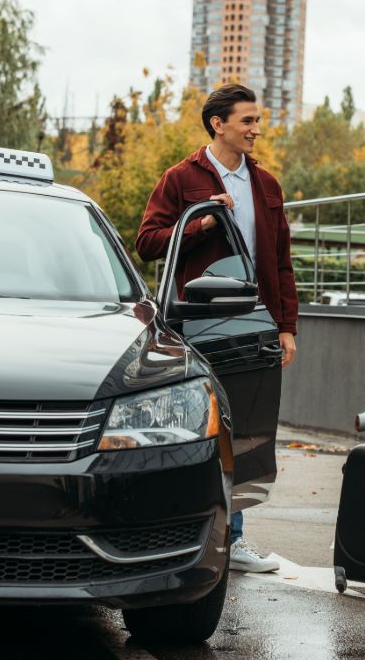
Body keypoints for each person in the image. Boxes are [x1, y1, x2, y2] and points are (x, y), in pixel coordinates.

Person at [136, 83, 298, 573]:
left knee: (246, 432)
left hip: (252, 325)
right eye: (248, 120)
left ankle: (234, 539)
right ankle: (178, 531)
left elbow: (282, 262)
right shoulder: (182, 178)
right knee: (197, 429)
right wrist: (200, 226)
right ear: (218, 124)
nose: (256, 129)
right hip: (198, 325)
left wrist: (286, 326)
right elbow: (147, 242)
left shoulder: (266, 185)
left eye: (257, 120)